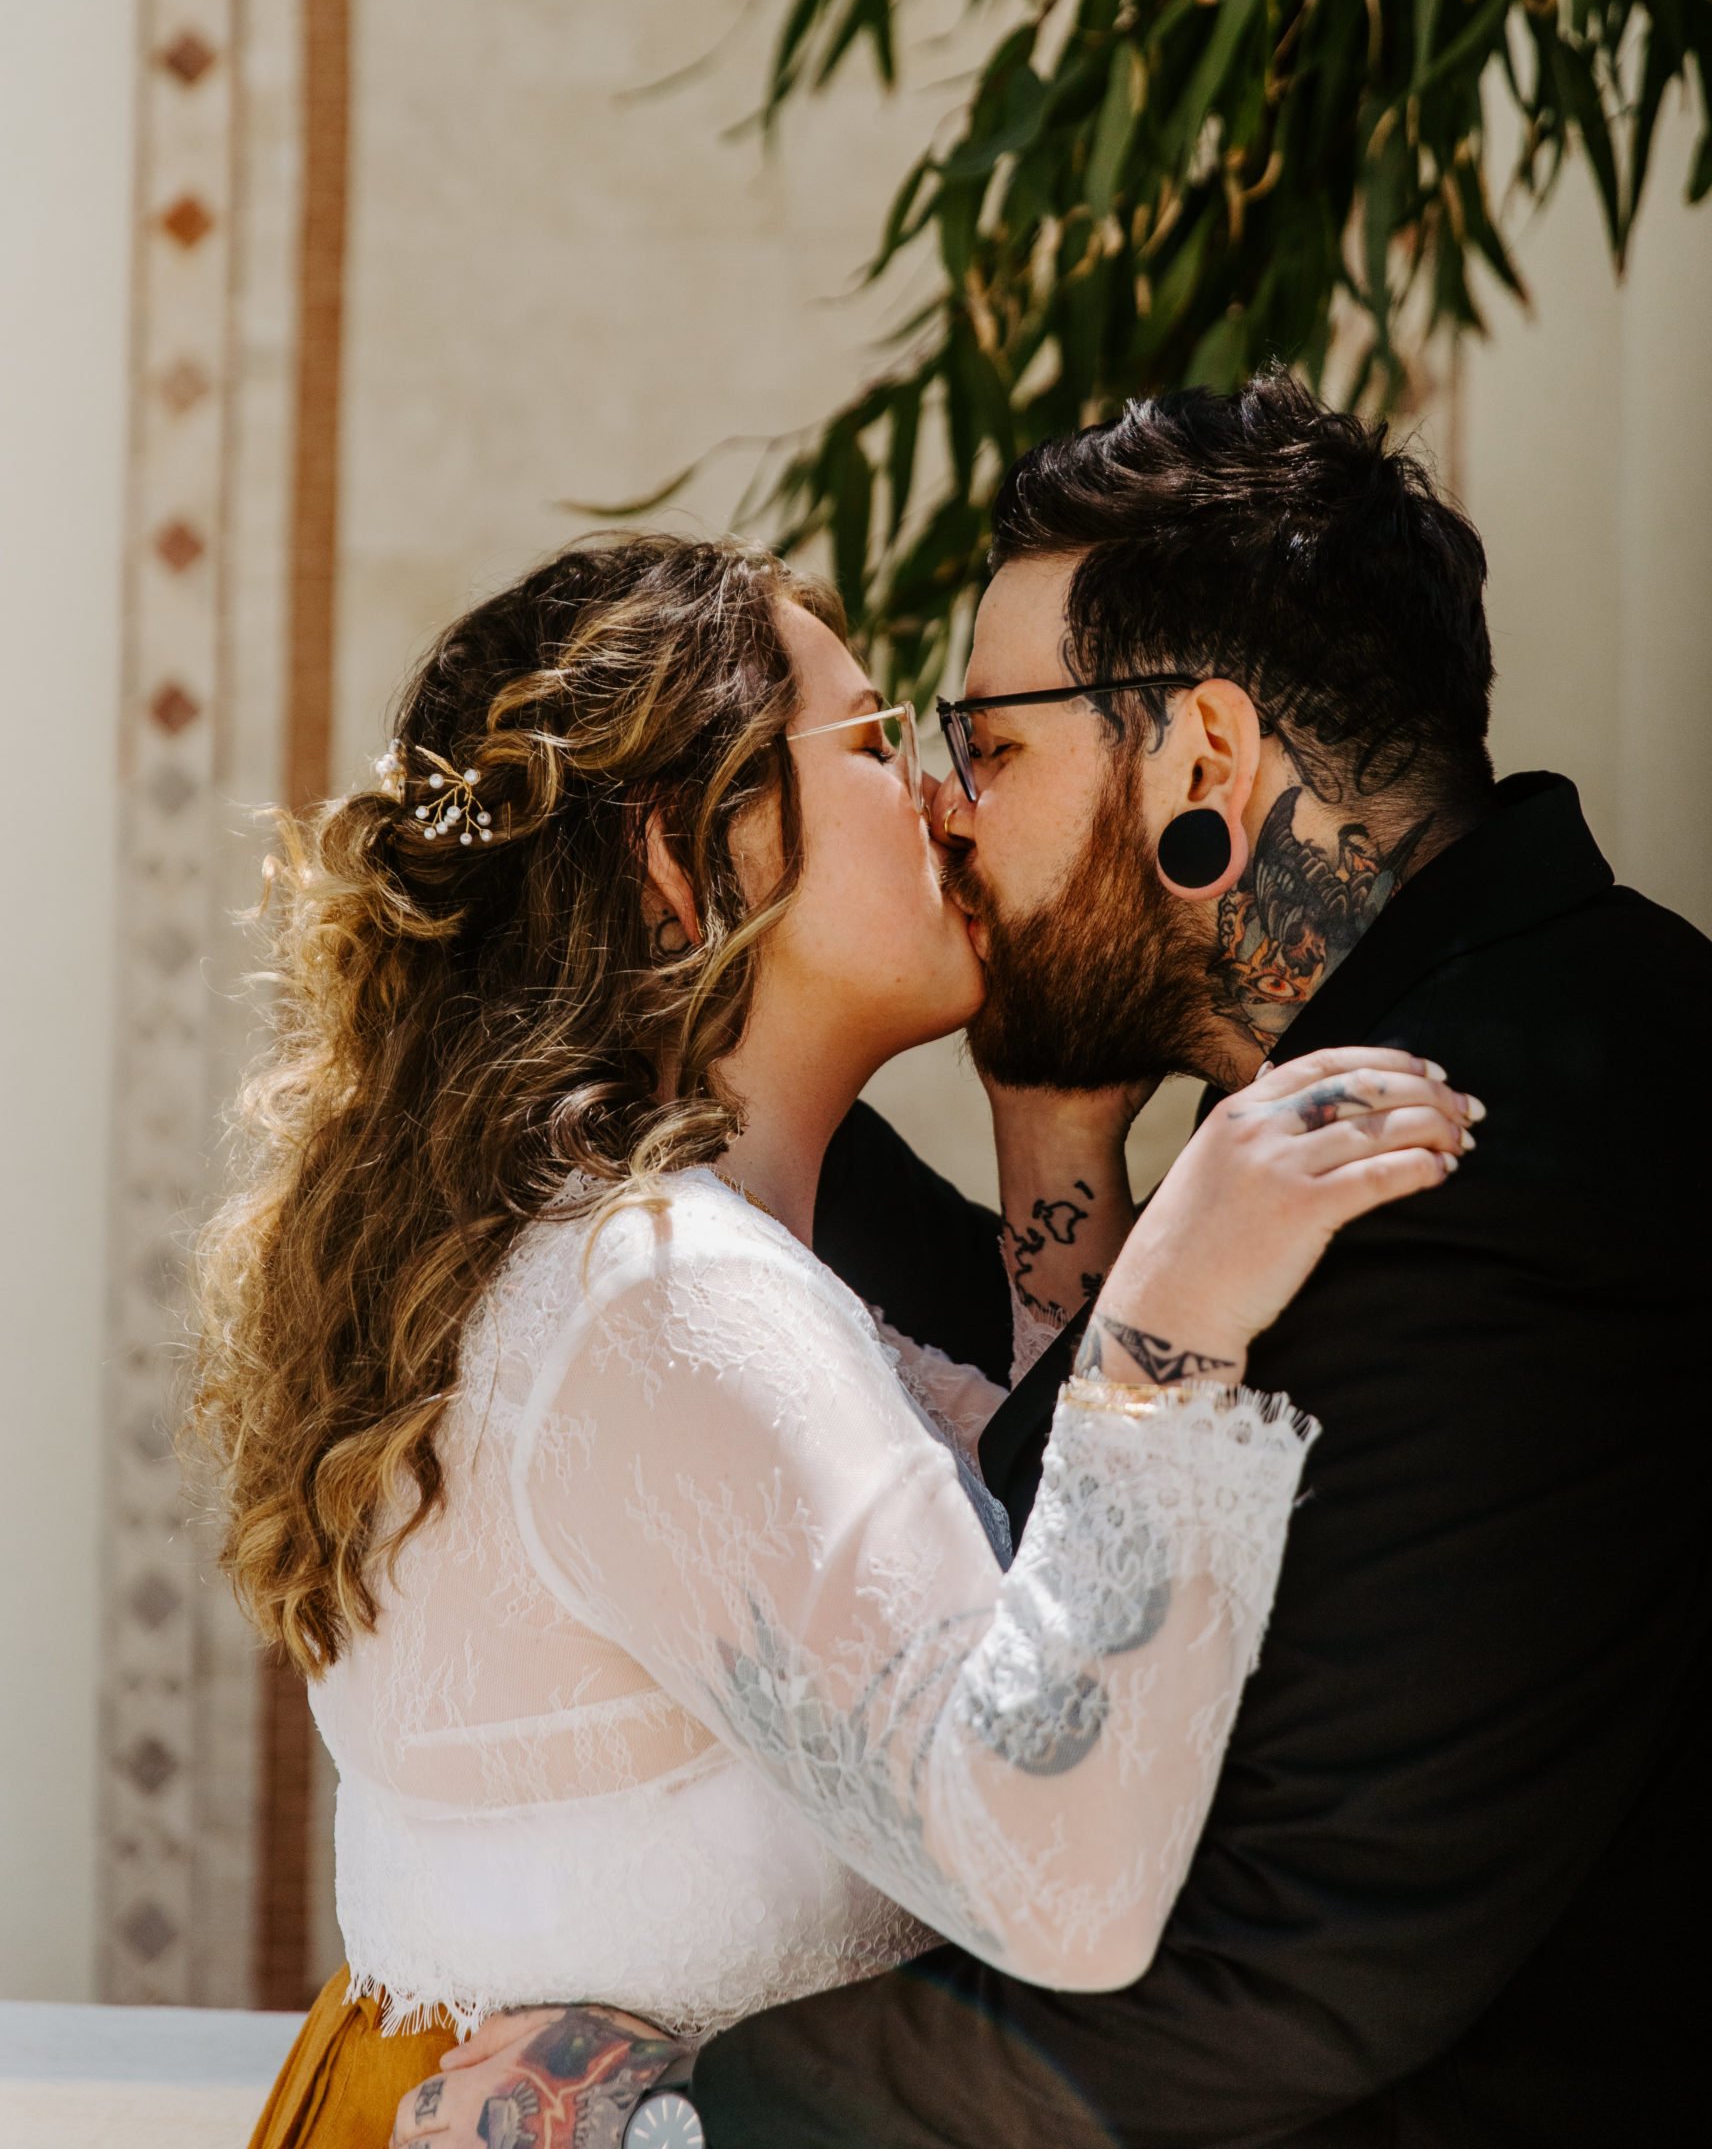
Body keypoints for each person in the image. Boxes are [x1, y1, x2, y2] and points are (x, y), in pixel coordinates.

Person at [426, 375, 1707, 2149]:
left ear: (1203, 762)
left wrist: (678, 2109)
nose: (950, 808)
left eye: (993, 745)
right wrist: (1048, 1131)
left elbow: (1289, 1953)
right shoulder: (1393, 1065)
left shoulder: (1480, 1147)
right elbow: (1012, 1503)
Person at [195, 528, 1467, 2149]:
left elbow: (1026, 1597)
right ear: (680, 862)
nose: (945, 797)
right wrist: (1175, 1324)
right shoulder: (663, 1301)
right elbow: (1052, 1874)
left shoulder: (617, 1265)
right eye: (873, 744)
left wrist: (1052, 1140)